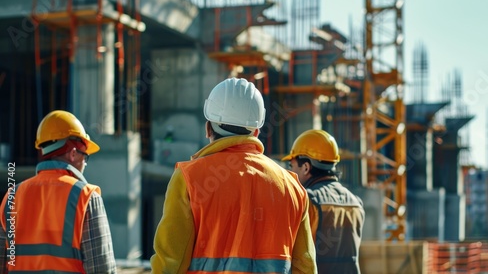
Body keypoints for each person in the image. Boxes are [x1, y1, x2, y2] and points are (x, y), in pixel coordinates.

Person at [150, 78, 317, 273]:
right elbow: (305, 267)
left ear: (208, 128)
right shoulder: (292, 188)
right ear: (256, 130)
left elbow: (171, 262)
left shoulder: (189, 179)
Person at [0, 110, 116, 273]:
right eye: (85, 156)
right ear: (73, 153)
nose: (85, 164)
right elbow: (102, 269)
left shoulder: (11, 197)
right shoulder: (86, 197)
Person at [282, 129, 364, 274]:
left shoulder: (307, 200)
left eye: (291, 167)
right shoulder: (355, 202)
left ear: (306, 167)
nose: (290, 173)